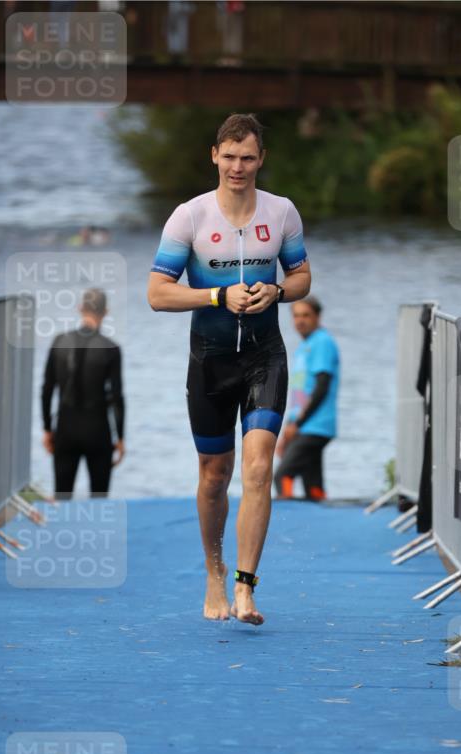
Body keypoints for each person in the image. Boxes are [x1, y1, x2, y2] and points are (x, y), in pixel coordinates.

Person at [147, 112, 311, 625]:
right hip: (211, 361)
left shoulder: (281, 212)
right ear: (214, 156)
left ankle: (245, 589)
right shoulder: (189, 218)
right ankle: (214, 572)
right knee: (215, 476)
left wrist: (278, 291)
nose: (237, 167)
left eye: (248, 157)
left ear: (261, 160)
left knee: (260, 467)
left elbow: (302, 276)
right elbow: (157, 293)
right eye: (229, 156)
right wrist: (218, 294)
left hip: (265, 357)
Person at [41, 288, 125, 499]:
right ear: (105, 312)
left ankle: (62, 531)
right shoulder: (111, 349)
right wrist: (121, 437)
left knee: (62, 496)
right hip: (98, 431)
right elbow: (117, 397)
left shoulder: (59, 342)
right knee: (98, 498)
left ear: (80, 308)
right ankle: (96, 531)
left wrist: (47, 429)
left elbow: (47, 389)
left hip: (65, 429)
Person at [275, 296, 339, 501]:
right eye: (296, 316)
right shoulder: (305, 346)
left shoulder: (322, 342)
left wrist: (298, 424)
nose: (300, 321)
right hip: (303, 425)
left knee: (283, 475)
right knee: (313, 485)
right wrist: (289, 427)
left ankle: (286, 519)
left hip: (315, 426)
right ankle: (323, 516)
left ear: (318, 317)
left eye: (306, 315)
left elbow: (321, 388)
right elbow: (300, 394)